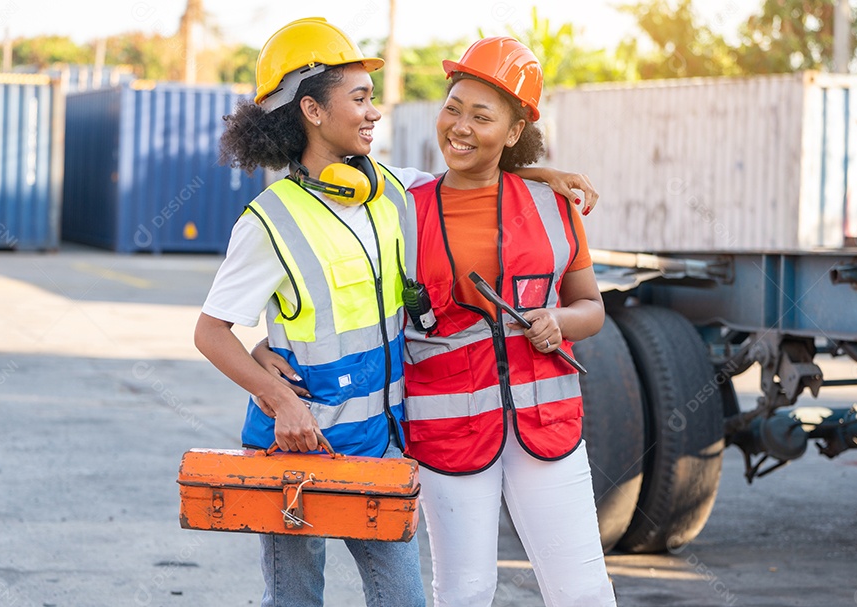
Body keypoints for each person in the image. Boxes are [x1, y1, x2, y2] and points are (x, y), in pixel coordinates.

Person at [196, 18, 596, 607]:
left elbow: (468, 178)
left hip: (380, 441)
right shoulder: (270, 220)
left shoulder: (384, 189)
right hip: (296, 445)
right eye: (359, 98)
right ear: (311, 109)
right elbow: (211, 332)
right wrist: (276, 393)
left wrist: (540, 174)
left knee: (403, 597)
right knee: (296, 599)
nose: (373, 112)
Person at [399, 38, 618, 606]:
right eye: (453, 107)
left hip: (546, 427)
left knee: (583, 591)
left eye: (482, 115)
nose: (460, 126)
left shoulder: (552, 205)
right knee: (466, 592)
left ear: (515, 131)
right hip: (449, 434)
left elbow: (592, 307)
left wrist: (560, 322)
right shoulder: (402, 208)